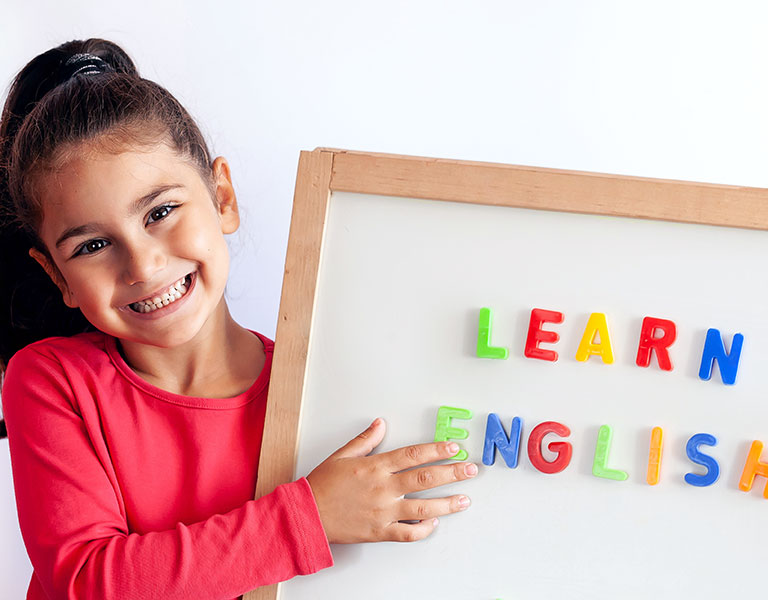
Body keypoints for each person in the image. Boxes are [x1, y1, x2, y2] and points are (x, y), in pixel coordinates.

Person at [0, 38, 476, 600]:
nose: (143, 264)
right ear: (58, 278)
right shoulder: (51, 381)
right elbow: (86, 582)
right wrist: (308, 520)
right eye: (93, 245)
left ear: (222, 196)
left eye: (160, 212)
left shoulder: (310, 391)